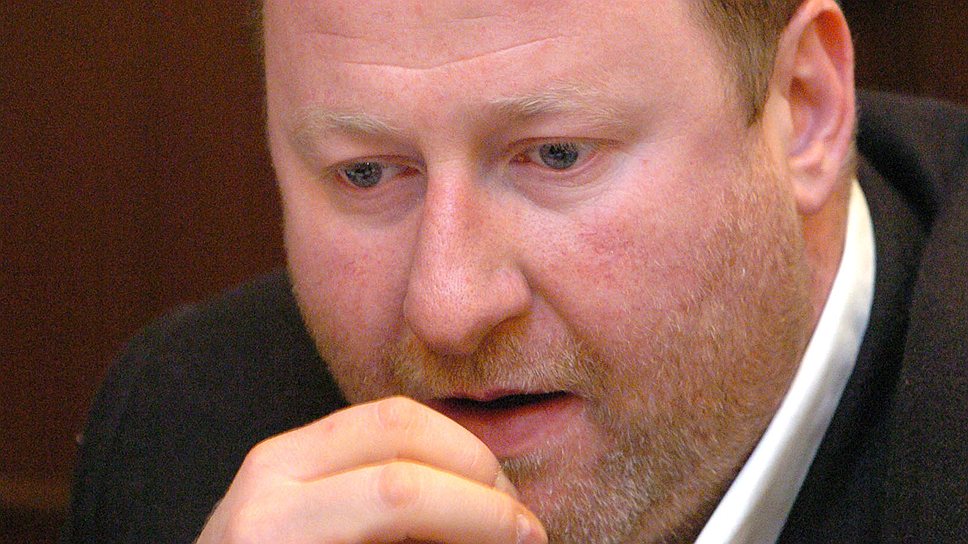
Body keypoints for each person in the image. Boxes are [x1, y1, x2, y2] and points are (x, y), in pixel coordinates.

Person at [62, 0, 968, 543]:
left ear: (804, 108)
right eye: (367, 173)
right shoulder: (189, 439)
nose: (449, 307)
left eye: (556, 155)